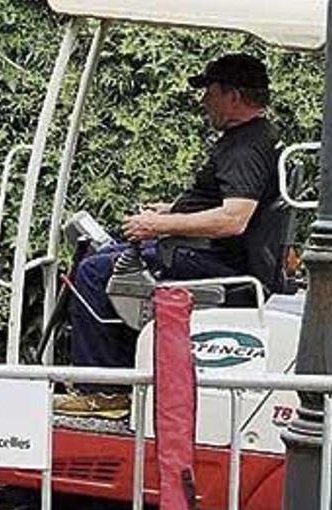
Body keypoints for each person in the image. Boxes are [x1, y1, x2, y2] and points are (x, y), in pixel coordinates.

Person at [56, 53, 281, 418]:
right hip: (204, 250)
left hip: (211, 261)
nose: (204, 100)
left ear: (234, 96)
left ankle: (105, 393)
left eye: (210, 91)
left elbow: (234, 219)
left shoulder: (245, 148)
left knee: (94, 273)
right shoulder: (257, 137)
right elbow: (228, 204)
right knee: (104, 254)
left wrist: (160, 226)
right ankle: (118, 378)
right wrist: (172, 211)